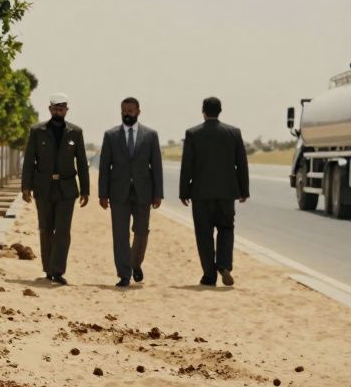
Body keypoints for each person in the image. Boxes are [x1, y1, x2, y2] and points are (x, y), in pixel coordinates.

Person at [20, 93, 91, 285]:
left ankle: (58, 270)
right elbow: (29, 161)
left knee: (63, 231)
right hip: (43, 188)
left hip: (67, 189)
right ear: (50, 109)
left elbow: (82, 162)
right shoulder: (37, 131)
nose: (58, 111)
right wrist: (25, 187)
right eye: (55, 108)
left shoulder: (75, 132)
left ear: (67, 110)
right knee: (45, 229)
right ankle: (48, 269)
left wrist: (85, 190)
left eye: (62, 108)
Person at [179, 96, 250, 286]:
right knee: (226, 229)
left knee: (204, 233)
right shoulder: (233, 133)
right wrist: (244, 190)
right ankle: (224, 264)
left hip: (201, 194)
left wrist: (184, 191)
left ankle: (209, 275)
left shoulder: (193, 134)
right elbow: (241, 164)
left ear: (203, 111)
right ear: (220, 111)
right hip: (227, 193)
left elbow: (187, 165)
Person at [98, 97, 164, 287]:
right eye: (124, 111)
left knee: (142, 231)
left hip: (143, 192)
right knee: (120, 234)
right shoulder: (110, 135)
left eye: (130, 111)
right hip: (118, 193)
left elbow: (156, 166)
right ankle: (124, 274)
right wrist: (103, 194)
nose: (127, 114)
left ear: (138, 112)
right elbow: (104, 167)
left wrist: (158, 193)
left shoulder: (151, 135)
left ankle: (135, 263)